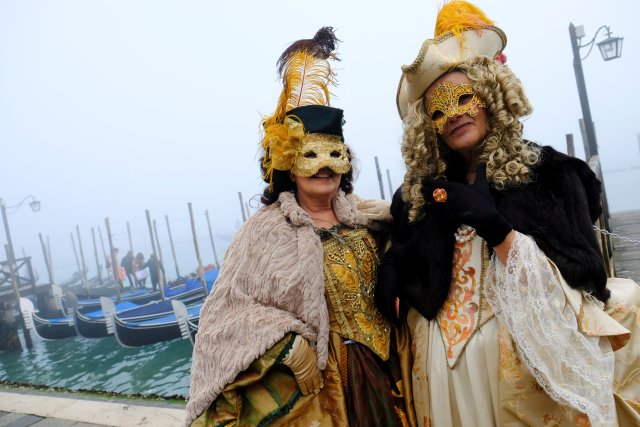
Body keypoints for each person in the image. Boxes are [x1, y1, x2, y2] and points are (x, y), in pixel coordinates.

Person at [374, 1, 640, 426]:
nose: (454, 114)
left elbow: (586, 278)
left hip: (521, 374)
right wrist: (392, 265)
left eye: (463, 97)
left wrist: (498, 230)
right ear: (429, 126)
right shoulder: (418, 197)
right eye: (438, 109)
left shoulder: (550, 175)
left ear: (490, 93)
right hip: (441, 374)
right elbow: (409, 264)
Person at [185, 28, 413, 427]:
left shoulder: (366, 217)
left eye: (333, 154)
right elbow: (223, 315)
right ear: (290, 166)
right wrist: (287, 342)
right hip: (326, 390)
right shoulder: (263, 233)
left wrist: (401, 217)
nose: (324, 166)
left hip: (395, 367)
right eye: (310, 155)